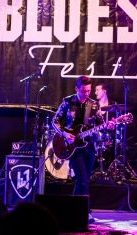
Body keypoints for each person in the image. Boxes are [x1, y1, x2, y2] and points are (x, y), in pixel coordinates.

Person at [52, 76, 113, 224]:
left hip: (89, 147)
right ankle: (86, 212)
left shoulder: (93, 105)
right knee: (83, 180)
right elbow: (55, 122)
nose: (86, 94)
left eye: (89, 91)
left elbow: (101, 125)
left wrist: (108, 127)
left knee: (81, 181)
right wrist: (64, 134)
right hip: (73, 147)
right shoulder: (67, 102)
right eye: (83, 91)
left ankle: (72, 210)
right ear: (76, 89)